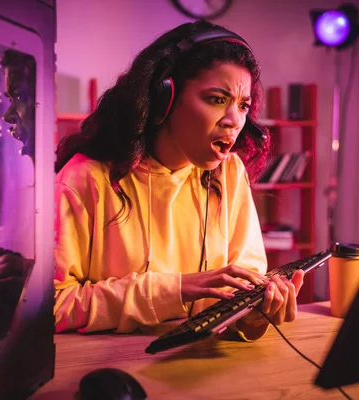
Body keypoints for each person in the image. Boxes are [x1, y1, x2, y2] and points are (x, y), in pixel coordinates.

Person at [53, 20, 305, 342]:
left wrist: (253, 315)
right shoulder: (83, 178)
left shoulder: (229, 173)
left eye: (242, 106)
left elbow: (242, 288)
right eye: (217, 99)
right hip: (111, 371)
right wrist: (175, 289)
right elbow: (54, 305)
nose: (235, 121)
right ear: (165, 99)